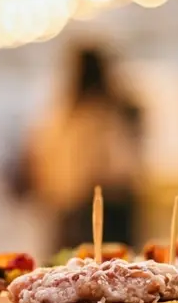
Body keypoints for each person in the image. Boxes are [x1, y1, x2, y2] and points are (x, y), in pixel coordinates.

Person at [28, 46, 141, 248]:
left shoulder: (67, 112)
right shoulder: (112, 109)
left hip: (85, 202)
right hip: (102, 201)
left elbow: (51, 163)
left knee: (79, 266)